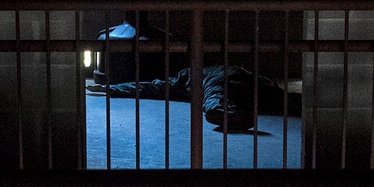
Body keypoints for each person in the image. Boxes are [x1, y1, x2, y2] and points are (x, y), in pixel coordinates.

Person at [85, 63, 287, 133]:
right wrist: (109, 89)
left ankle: (222, 113)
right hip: (247, 85)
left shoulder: (190, 76)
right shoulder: (204, 72)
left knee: (213, 99)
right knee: (281, 100)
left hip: (218, 82)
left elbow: (151, 87)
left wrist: (108, 89)